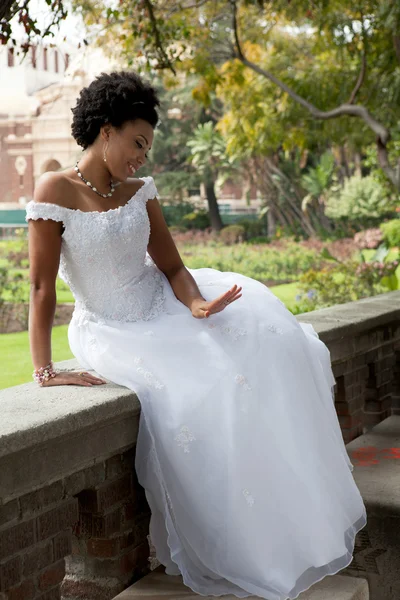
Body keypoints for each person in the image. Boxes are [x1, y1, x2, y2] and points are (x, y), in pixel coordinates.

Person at [26, 70, 367, 600]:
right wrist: (45, 371)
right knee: (209, 390)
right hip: (113, 328)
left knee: (271, 341)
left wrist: (198, 304)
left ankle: (278, 526)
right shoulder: (54, 190)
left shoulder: (141, 192)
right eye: (137, 142)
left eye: (148, 146)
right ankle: (234, 541)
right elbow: (41, 289)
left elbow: (174, 268)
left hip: (166, 305)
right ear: (107, 129)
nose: (142, 156)